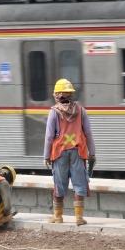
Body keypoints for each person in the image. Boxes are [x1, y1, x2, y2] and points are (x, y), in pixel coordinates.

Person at [44, 79, 96, 226]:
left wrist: (46, 156)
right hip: (78, 152)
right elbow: (88, 133)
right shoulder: (81, 110)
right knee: (80, 183)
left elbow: (49, 136)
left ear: (58, 95)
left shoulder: (54, 112)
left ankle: (58, 216)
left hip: (59, 153)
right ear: (70, 94)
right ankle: (79, 218)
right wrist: (92, 153)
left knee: (59, 184)